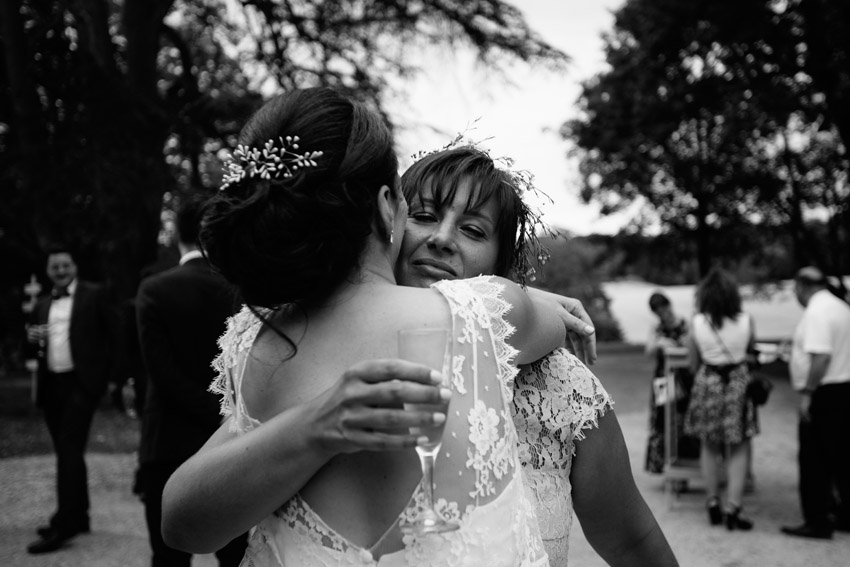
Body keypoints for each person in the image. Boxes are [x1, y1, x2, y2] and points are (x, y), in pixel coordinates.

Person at [161, 87, 574, 566]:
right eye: (415, 208)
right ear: (385, 205)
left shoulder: (256, 341)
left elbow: (181, 525)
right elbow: (551, 326)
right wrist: (524, 299)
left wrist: (308, 428)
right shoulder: (485, 314)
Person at [397, 146, 678, 566]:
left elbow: (631, 541)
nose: (441, 238)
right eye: (423, 216)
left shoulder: (558, 383)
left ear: (499, 261)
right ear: (389, 220)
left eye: (473, 231)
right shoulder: (326, 342)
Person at [135, 196, 248, 566]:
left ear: (179, 237)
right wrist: (222, 413)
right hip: (230, 441)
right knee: (235, 553)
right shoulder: (242, 290)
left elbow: (161, 373)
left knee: (168, 557)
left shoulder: (154, 289)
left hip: (167, 439)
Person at [24, 246, 115, 554]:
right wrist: (32, 339)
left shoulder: (95, 294)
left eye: (65, 265)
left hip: (82, 384)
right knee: (69, 451)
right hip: (52, 385)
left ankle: (63, 525)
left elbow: (113, 334)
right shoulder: (43, 303)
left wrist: (107, 380)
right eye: (54, 267)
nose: (60, 271)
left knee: (68, 449)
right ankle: (80, 515)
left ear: (74, 266)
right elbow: (32, 348)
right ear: (48, 271)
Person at [684, 267, 758, 531]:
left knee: (709, 445)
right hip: (737, 382)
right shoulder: (747, 320)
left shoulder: (697, 322)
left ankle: (713, 501)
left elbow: (693, 363)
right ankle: (733, 508)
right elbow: (751, 352)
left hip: (708, 382)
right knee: (738, 447)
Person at [781, 266, 850, 540]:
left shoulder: (817, 312)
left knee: (814, 460)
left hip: (825, 392)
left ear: (801, 286)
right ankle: (845, 513)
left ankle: (817, 520)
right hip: (845, 389)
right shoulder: (841, 307)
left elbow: (821, 357)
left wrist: (808, 393)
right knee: (842, 456)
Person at [643, 292, 698, 477]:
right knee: (663, 419)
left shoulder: (685, 324)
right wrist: (660, 343)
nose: (663, 313)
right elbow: (648, 351)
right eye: (658, 311)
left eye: (664, 308)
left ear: (669, 305)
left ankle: (686, 462)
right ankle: (664, 463)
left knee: (684, 417)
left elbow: (694, 349)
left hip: (685, 379)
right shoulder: (656, 329)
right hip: (663, 380)